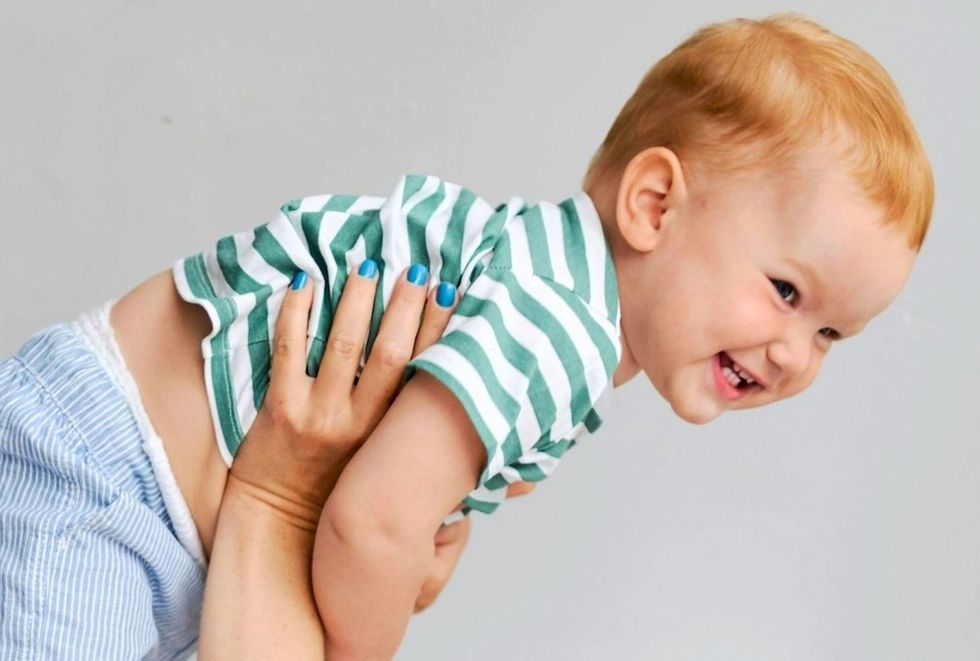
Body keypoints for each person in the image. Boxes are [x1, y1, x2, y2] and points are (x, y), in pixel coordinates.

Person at [0, 11, 933, 658]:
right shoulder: (559, 331)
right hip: (111, 479)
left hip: (156, 508)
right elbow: (372, 522)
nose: (793, 354)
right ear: (654, 204)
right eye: (784, 291)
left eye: (831, 335)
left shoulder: (539, 284)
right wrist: (361, 649)